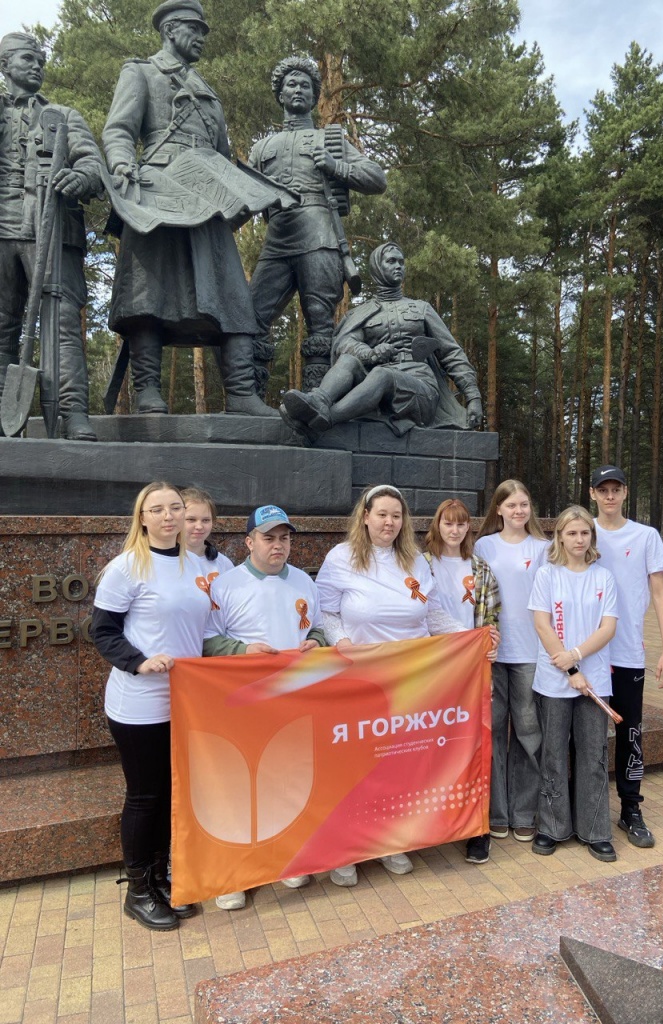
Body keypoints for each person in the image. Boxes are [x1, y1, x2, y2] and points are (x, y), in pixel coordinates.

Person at [102, 0, 279, 416]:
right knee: (148, 293)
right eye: (194, 30)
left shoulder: (208, 92)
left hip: (208, 195)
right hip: (158, 192)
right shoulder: (141, 72)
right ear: (170, 30)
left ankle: (240, 392)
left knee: (231, 292)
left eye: (204, 31)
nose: (201, 38)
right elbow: (119, 130)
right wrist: (123, 163)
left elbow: (222, 152)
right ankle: (147, 390)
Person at [315, 484, 471, 886]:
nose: (389, 522)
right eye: (382, 514)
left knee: (398, 763)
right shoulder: (341, 558)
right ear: (364, 516)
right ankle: (346, 849)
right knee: (356, 766)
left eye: (396, 515)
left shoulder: (415, 560)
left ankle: (390, 842)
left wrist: (470, 637)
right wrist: (342, 642)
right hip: (361, 677)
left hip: (411, 678)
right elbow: (325, 612)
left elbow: (432, 614)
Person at [91, 481, 211, 930]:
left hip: (185, 702)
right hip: (139, 704)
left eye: (175, 508)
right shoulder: (126, 568)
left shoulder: (194, 564)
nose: (168, 516)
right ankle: (138, 890)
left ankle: (161, 877)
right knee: (145, 796)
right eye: (157, 509)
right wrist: (139, 662)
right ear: (142, 518)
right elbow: (102, 631)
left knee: (169, 794)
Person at [203, 504, 326, 908]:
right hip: (244, 700)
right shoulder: (226, 585)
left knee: (289, 781)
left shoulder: (304, 581)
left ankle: (286, 859)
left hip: (294, 697)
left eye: (284, 538)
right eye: (269, 538)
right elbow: (206, 640)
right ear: (249, 541)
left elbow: (319, 626)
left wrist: (318, 642)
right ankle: (233, 875)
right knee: (240, 785)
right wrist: (242, 650)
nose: (278, 545)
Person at [248, 57, 387, 391]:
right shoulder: (261, 147)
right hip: (277, 238)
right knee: (250, 316)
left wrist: (336, 166)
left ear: (313, 97)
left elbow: (377, 178)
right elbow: (240, 196)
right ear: (280, 94)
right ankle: (249, 397)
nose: (298, 90)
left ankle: (316, 400)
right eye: (291, 84)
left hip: (320, 236)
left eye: (305, 86)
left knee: (320, 320)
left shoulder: (331, 140)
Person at [0, 31, 102, 440]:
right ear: (5, 65)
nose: (38, 65)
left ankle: (74, 413)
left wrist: (80, 176)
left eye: (41, 59)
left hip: (51, 227)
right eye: (28, 58)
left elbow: (93, 164)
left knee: (61, 325)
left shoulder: (63, 114)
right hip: (1, 227)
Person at [279, 243, 482, 441]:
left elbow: (451, 352)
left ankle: (323, 421)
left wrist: (473, 397)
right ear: (377, 267)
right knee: (349, 361)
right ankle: (319, 401)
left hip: (420, 391)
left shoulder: (421, 309)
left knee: (382, 375)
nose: (398, 266)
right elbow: (345, 343)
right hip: (374, 392)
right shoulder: (360, 313)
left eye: (401, 262)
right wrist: (371, 353)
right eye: (391, 261)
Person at [590, 465, 663, 848]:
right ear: (592, 493)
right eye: (603, 489)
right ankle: (585, 811)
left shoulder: (645, 536)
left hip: (626, 652)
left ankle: (630, 809)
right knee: (584, 735)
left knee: (630, 732)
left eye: (616, 489)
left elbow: (659, 594)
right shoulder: (581, 532)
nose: (610, 496)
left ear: (625, 493)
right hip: (589, 653)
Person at [528, 506, 618, 862]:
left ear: (591, 538)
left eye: (585, 533)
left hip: (594, 682)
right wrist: (567, 669)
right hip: (554, 681)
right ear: (560, 537)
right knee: (553, 752)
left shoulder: (603, 578)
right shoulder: (548, 576)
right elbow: (542, 625)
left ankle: (594, 830)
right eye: (572, 533)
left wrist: (577, 655)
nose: (579, 540)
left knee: (593, 755)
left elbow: (607, 627)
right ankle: (552, 827)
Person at [423, 498, 500, 865]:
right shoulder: (419, 564)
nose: (454, 531)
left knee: (473, 746)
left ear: (469, 527)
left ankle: (478, 829)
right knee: (435, 746)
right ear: (437, 525)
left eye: (461, 524)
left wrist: (489, 641)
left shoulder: (480, 568)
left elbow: (491, 617)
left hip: (471, 669)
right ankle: (436, 823)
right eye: (448, 524)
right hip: (432, 669)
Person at [473, 480, 549, 845]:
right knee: (492, 731)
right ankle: (496, 812)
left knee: (528, 733)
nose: (519, 511)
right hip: (490, 653)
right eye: (511, 505)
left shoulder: (545, 549)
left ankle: (523, 812)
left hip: (530, 653)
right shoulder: (484, 546)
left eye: (524, 504)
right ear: (498, 509)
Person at [181, 486, 234, 576]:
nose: (199, 526)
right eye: (191, 519)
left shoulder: (223, 564)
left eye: (206, 520)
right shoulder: (164, 562)